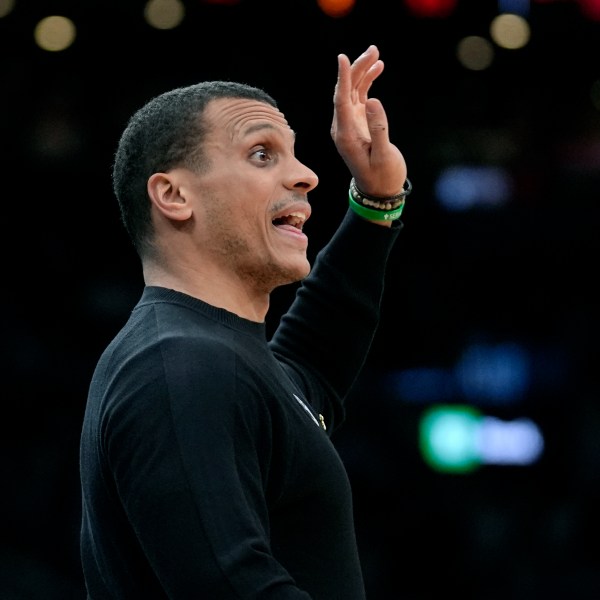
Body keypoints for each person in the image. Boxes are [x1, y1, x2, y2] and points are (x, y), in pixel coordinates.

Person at [79, 44, 411, 599]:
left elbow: (311, 366)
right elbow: (235, 587)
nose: (307, 175)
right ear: (174, 195)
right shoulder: (182, 368)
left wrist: (377, 201)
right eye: (263, 154)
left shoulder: (210, 354)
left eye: (295, 155)